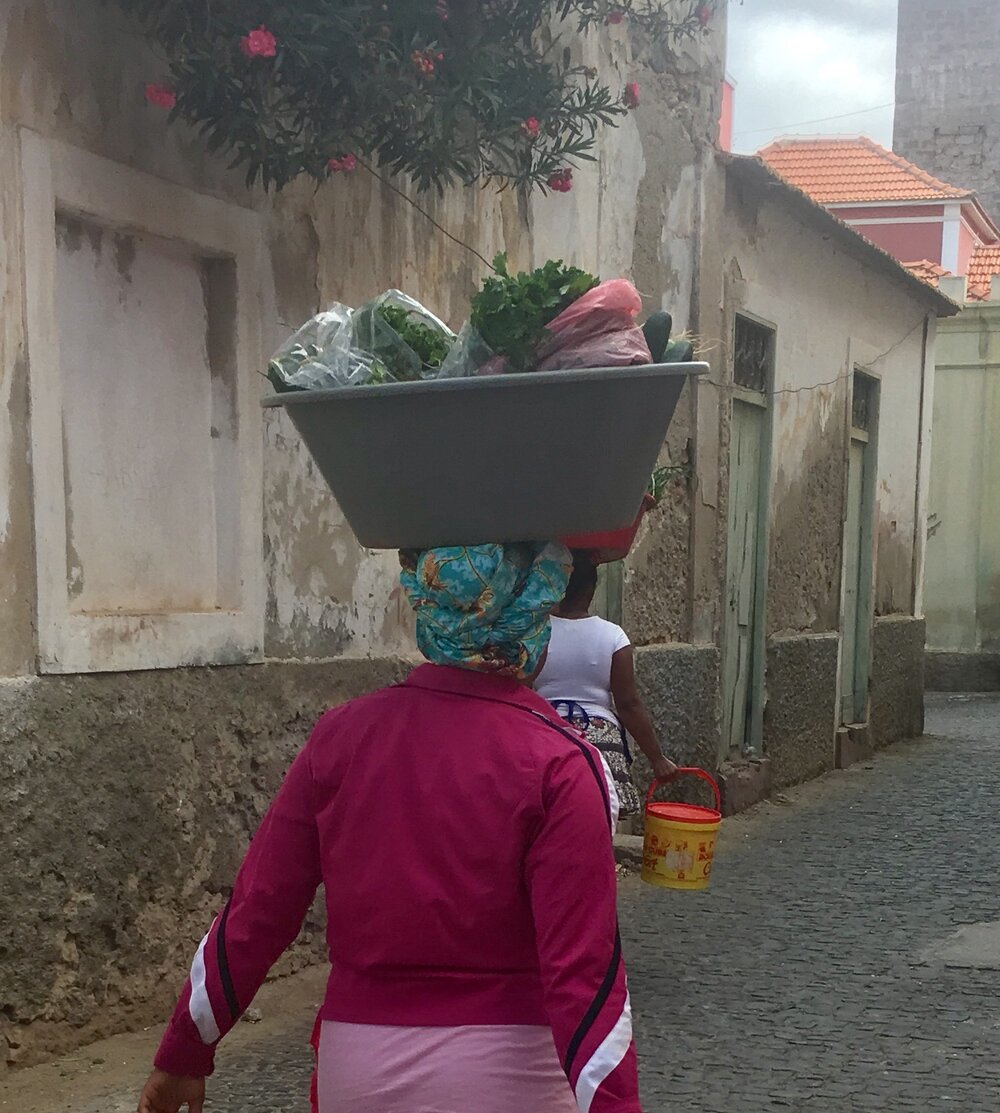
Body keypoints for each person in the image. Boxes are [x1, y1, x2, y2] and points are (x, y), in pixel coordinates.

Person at [137, 542, 642, 1113]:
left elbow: (259, 908)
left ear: (427, 606)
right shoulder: (561, 764)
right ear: (531, 618)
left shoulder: (341, 737)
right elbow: (586, 974)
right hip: (511, 1071)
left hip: (357, 1069)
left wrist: (185, 1049)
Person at [535, 552, 677, 819]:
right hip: (600, 742)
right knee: (600, 814)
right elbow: (628, 704)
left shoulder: (539, 632)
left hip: (546, 732)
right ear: (591, 590)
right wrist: (657, 759)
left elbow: (521, 685)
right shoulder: (613, 636)